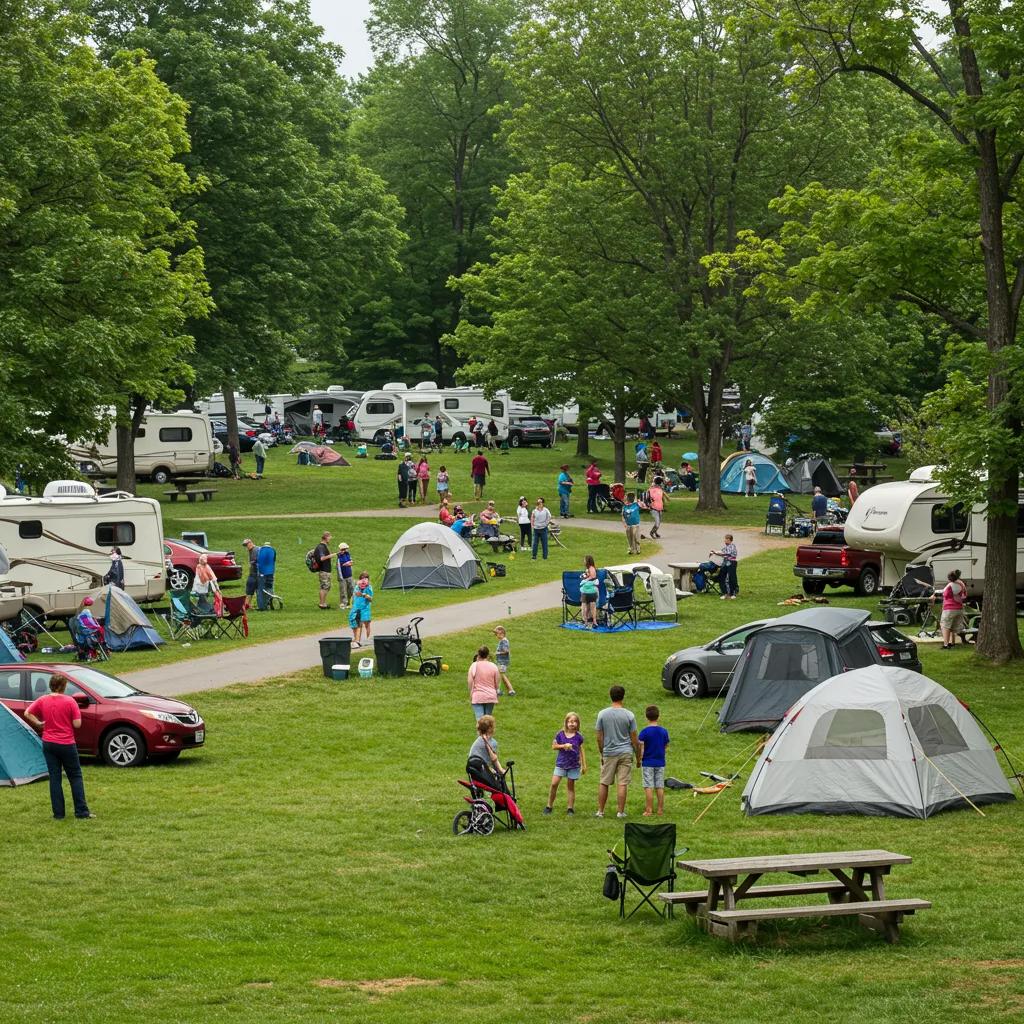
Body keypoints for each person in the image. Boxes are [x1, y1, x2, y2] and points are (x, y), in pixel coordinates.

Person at [24, 674, 94, 819]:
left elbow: (27, 713)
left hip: (49, 743)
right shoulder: (70, 701)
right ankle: (81, 812)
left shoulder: (43, 700)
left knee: (55, 778)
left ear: (51, 685)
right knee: (75, 776)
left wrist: (38, 723)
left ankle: (58, 814)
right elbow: (77, 724)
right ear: (64, 686)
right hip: (66, 743)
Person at [594, 685, 640, 818]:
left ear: (610, 696)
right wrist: (638, 757)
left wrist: (602, 752)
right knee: (622, 783)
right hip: (625, 752)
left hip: (608, 752)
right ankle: (620, 812)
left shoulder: (602, 714)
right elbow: (634, 739)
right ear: (623, 697)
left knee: (604, 782)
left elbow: (599, 737)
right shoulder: (629, 715)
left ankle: (600, 811)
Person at [544, 712, 587, 815]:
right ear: (566, 722)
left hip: (574, 765)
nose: (572, 723)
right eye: (570, 721)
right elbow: (554, 746)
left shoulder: (579, 737)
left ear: (578, 723)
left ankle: (570, 808)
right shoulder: (560, 734)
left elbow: (581, 749)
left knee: (570, 786)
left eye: (575, 721)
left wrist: (584, 764)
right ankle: (549, 806)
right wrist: (564, 746)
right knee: (554, 784)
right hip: (561, 764)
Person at [638, 705, 670, 817]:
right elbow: (666, 745)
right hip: (660, 762)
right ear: (658, 716)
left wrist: (639, 759)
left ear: (646, 717)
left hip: (647, 762)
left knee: (648, 786)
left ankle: (649, 810)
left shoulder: (644, 732)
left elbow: (641, 748)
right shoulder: (664, 731)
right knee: (659, 786)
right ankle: (660, 809)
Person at [468, 714, 505, 792]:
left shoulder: (478, 741)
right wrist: (501, 771)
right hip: (482, 771)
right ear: (490, 729)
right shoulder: (492, 742)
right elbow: (494, 760)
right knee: (500, 779)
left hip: (474, 771)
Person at [935, 569, 968, 649]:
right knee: (953, 626)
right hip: (959, 608)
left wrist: (936, 593)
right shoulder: (961, 584)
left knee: (945, 626)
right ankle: (953, 642)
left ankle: (946, 645)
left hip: (949, 609)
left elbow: (946, 594)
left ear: (950, 578)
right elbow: (964, 595)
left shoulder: (950, 585)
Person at [467, 645, 500, 720]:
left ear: (478, 654)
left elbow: (470, 682)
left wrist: (471, 694)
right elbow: (497, 683)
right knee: (487, 720)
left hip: (478, 695)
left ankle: (481, 728)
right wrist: (496, 693)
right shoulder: (494, 666)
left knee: (480, 720)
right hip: (490, 696)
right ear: (488, 655)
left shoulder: (474, 665)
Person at [710, 533, 738, 599]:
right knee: (721, 577)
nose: (725, 540)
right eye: (725, 539)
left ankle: (732, 594)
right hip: (725, 563)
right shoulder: (726, 547)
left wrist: (717, 553)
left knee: (732, 578)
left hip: (731, 563)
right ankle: (724, 593)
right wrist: (714, 552)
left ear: (730, 540)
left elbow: (726, 554)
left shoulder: (732, 546)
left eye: (726, 539)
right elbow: (721, 551)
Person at [349, 571, 373, 647]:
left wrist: (365, 595)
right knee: (355, 623)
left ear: (368, 579)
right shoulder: (357, 587)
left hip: (365, 608)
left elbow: (370, 599)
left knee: (366, 624)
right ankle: (356, 639)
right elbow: (355, 596)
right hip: (356, 608)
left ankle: (368, 639)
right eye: (362, 578)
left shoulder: (369, 587)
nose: (363, 580)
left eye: (365, 578)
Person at [493, 625, 516, 696]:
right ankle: (508, 690)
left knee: (501, 675)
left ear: (502, 633)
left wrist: (498, 653)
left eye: (497, 634)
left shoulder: (504, 641)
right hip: (501, 661)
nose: (496, 635)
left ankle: (509, 690)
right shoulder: (502, 641)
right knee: (501, 675)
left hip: (503, 662)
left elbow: (506, 651)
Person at [580, 554, 600, 628]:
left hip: (588, 591)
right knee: (592, 607)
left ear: (588, 561)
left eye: (584, 560)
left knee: (586, 607)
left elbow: (592, 577)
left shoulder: (591, 568)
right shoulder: (591, 568)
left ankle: (586, 621)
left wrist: (586, 579)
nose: (584, 561)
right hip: (592, 591)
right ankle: (593, 621)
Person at [255, 541, 276, 611]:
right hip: (271, 573)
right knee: (269, 588)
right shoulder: (273, 550)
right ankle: (269, 605)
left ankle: (261, 607)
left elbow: (258, 561)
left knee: (260, 590)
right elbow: (274, 560)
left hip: (262, 573)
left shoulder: (260, 550)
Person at [314, 531, 332, 609]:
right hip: (324, 570)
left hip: (326, 570)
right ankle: (321, 604)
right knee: (324, 587)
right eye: (329, 537)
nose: (330, 539)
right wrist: (331, 555)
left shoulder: (323, 546)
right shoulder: (321, 547)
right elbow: (322, 558)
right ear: (326, 537)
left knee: (326, 587)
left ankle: (324, 603)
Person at [622, 491, 642, 555]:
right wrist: (624, 523)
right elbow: (623, 516)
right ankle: (631, 549)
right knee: (629, 538)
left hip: (636, 524)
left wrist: (638, 501)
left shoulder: (636, 504)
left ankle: (638, 549)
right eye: (629, 497)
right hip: (628, 525)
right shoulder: (625, 506)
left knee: (636, 537)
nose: (630, 498)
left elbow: (643, 505)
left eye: (632, 497)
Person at [336, 542, 354, 610]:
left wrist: (349, 563)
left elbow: (351, 562)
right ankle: (343, 603)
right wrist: (346, 564)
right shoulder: (339, 556)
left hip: (349, 575)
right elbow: (340, 566)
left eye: (346, 549)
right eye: (343, 549)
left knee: (351, 589)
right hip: (342, 577)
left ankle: (350, 603)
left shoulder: (347, 554)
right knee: (343, 591)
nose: (345, 550)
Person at [242, 538, 259, 608]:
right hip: (253, 573)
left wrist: (251, 563)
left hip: (255, 574)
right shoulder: (251, 550)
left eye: (247, 544)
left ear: (251, 543)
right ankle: (248, 604)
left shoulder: (255, 550)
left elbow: (255, 561)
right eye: (245, 545)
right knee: (250, 590)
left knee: (249, 588)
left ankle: (246, 605)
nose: (247, 546)